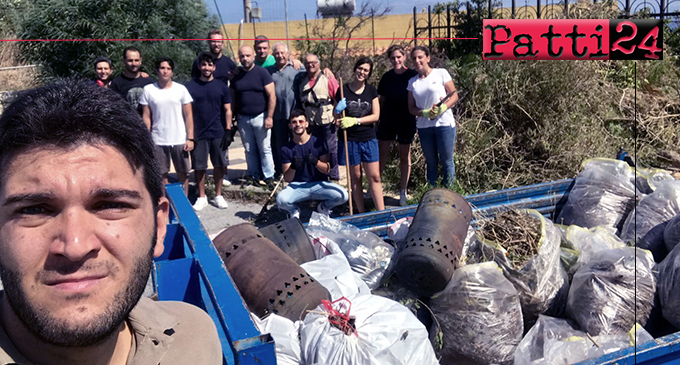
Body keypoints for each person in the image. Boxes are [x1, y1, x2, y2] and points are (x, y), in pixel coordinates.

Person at [0, 80, 222, 364]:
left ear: (159, 228)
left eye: (110, 205)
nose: (75, 246)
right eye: (34, 210)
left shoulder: (194, 337)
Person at [276, 110, 349, 218]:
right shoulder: (286, 148)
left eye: (301, 121)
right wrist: (293, 166)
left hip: (319, 184)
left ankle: (323, 207)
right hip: (298, 186)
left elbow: (327, 170)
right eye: (294, 122)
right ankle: (294, 210)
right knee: (281, 200)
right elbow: (287, 178)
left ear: (306, 124)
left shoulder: (318, 143)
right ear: (290, 126)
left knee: (343, 195)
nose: (298, 125)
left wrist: (315, 162)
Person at [334, 57, 385, 213]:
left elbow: (376, 116)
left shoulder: (371, 91)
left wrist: (356, 120)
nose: (362, 72)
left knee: (374, 176)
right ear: (355, 68)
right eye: (360, 68)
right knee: (355, 178)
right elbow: (337, 120)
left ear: (369, 74)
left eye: (366, 70)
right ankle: (361, 212)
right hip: (350, 140)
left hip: (368, 138)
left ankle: (381, 211)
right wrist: (337, 111)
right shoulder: (343, 90)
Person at [140, 57, 195, 195]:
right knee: (161, 174)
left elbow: (189, 115)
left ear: (172, 72)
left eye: (168, 69)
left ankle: (184, 203)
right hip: (158, 139)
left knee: (183, 172)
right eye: (162, 68)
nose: (165, 71)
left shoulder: (181, 89)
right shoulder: (148, 90)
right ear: (157, 71)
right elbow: (146, 117)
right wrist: (147, 138)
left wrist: (190, 138)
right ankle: (166, 202)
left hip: (179, 139)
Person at [186, 52, 232, 210]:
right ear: (199, 66)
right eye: (203, 64)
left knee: (219, 164)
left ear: (214, 67)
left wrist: (228, 130)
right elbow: (186, 112)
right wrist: (189, 134)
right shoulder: (190, 86)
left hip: (218, 131)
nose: (206, 67)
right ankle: (202, 196)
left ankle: (218, 195)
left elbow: (227, 109)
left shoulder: (221, 86)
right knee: (199, 166)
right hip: (198, 133)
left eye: (210, 65)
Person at [407, 46, 459, 187]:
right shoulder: (412, 82)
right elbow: (411, 108)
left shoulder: (441, 73)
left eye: (420, 57)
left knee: (447, 160)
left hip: (444, 125)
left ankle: (450, 192)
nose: (417, 60)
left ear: (428, 58)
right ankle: (432, 192)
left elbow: (454, 95)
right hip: (425, 127)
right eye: (414, 58)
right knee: (431, 162)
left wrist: (442, 108)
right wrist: (424, 113)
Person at [377, 45, 418, 206]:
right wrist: (377, 120)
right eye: (393, 58)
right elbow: (381, 100)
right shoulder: (387, 77)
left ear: (404, 57)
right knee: (382, 155)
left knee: (404, 156)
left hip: (406, 120)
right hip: (387, 120)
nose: (396, 60)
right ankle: (376, 188)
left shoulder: (412, 75)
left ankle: (403, 191)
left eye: (398, 57)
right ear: (389, 60)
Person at [230, 45, 277, 186]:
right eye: (242, 56)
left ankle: (269, 177)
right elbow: (232, 99)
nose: (245, 59)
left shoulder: (262, 73)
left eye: (248, 56)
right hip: (243, 118)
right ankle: (253, 175)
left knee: (265, 148)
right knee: (249, 149)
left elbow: (272, 96)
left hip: (261, 117)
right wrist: (233, 118)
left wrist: (269, 117)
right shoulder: (236, 76)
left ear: (253, 56)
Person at [294, 53, 340, 181]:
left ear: (319, 63)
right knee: (315, 149)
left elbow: (338, 97)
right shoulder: (302, 81)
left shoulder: (327, 78)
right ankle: (319, 174)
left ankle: (334, 175)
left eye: (313, 62)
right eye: (307, 63)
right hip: (311, 121)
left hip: (327, 120)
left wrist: (337, 115)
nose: (310, 65)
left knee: (330, 149)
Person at [265, 42, 306, 178]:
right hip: (277, 115)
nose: (280, 55)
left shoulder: (297, 68)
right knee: (279, 145)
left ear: (288, 54)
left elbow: (313, 73)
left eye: (282, 53)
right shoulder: (268, 71)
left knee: (297, 143)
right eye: (277, 53)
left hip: (294, 115)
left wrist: (327, 71)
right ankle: (281, 172)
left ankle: (300, 170)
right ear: (273, 55)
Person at [110, 46, 154, 112]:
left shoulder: (149, 82)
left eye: (136, 60)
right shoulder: (116, 83)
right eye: (130, 60)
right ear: (124, 60)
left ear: (140, 61)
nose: (133, 64)